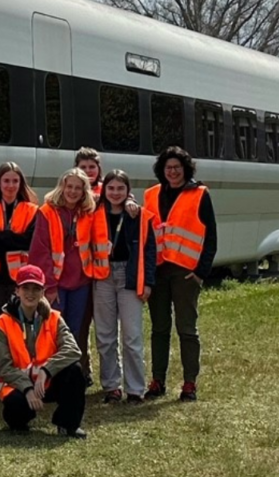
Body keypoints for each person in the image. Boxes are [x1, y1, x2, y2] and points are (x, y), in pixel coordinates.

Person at [144, 146, 217, 402]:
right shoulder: (151, 195)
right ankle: (157, 380)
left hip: (186, 273)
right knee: (159, 328)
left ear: (185, 169)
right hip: (158, 270)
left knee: (187, 329)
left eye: (177, 167)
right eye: (168, 168)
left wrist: (200, 273)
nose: (172, 172)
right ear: (162, 170)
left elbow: (210, 238)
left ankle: (189, 383)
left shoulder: (200, 194)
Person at [29, 168, 106, 379]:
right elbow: (40, 250)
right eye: (69, 186)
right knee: (51, 332)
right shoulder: (46, 211)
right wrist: (50, 286)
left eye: (78, 188)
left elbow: (114, 194)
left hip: (81, 282)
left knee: (75, 331)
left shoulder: (89, 211)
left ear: (84, 191)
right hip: (56, 284)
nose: (72, 191)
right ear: (61, 187)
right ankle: (48, 377)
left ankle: (70, 377)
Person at [0, 265, 88, 438]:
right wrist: (27, 389)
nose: (30, 293)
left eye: (36, 288)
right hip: (19, 387)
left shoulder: (54, 318)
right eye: (25, 288)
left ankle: (68, 424)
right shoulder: (2, 323)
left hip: (48, 382)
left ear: (43, 292)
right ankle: (22, 419)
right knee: (16, 411)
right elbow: (4, 368)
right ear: (17, 291)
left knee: (74, 370)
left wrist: (46, 370)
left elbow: (73, 350)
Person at [93, 170, 154, 404]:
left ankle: (135, 389)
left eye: (121, 188)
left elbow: (149, 251)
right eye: (111, 188)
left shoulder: (138, 215)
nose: (115, 193)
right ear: (104, 190)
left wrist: (148, 282)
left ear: (129, 191)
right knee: (105, 335)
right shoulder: (94, 213)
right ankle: (111, 386)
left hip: (129, 276)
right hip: (102, 276)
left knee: (132, 336)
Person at [0, 162, 38, 320]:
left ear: (21, 184)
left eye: (15, 181)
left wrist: (1, 236)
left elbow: (28, 242)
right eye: (6, 181)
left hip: (20, 278)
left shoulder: (32, 209)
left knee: (18, 322)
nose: (11, 185)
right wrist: (13, 237)